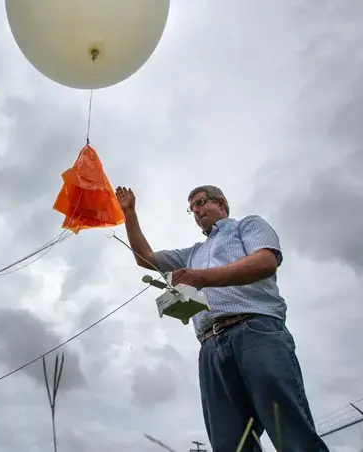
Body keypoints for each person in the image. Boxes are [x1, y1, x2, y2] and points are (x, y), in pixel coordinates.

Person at [115, 184, 329, 452]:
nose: (197, 210)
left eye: (201, 202)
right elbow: (144, 259)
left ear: (222, 203)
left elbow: (265, 262)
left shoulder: (247, 226)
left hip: (257, 331)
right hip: (210, 347)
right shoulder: (191, 253)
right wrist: (130, 213)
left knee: (289, 429)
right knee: (230, 444)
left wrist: (202, 277)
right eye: (192, 208)